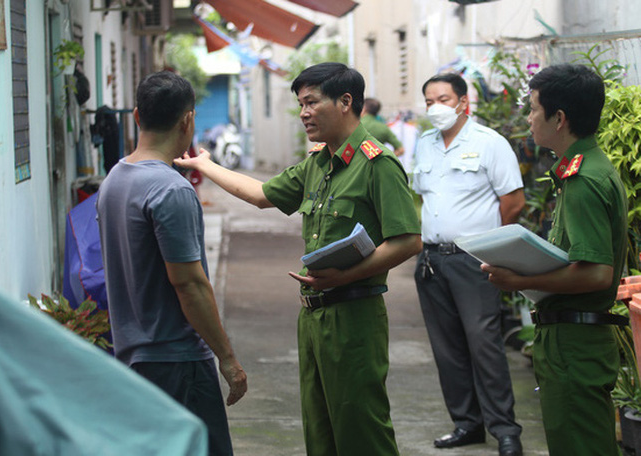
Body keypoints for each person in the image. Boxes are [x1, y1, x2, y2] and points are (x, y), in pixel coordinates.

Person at [175, 62, 422, 456]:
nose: (304, 112)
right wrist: (205, 165)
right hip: (313, 316)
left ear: (345, 102)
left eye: (311, 102)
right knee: (320, 429)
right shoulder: (318, 165)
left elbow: (408, 241)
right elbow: (260, 195)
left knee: (361, 429)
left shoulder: (377, 165)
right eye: (300, 104)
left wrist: (345, 277)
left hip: (354, 316)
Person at [96, 71, 247, 456]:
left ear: (135, 116)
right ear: (188, 121)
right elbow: (190, 284)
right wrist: (228, 360)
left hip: (134, 356)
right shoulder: (170, 189)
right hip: (177, 362)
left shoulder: (114, 179)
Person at [482, 64, 628, 455]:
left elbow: (597, 273)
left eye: (532, 109)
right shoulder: (581, 170)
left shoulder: (584, 180)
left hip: (574, 346)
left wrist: (519, 281)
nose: (528, 119)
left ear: (559, 118)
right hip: (571, 342)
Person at [411, 72, 525, 456]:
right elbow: (422, 199)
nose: (435, 108)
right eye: (428, 101)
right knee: (447, 350)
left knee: (484, 346)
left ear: (463, 102)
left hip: (474, 261)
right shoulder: (424, 145)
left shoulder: (490, 143)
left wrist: (491, 247)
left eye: (443, 99)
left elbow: (513, 202)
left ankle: (505, 431)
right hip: (431, 261)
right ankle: (467, 424)